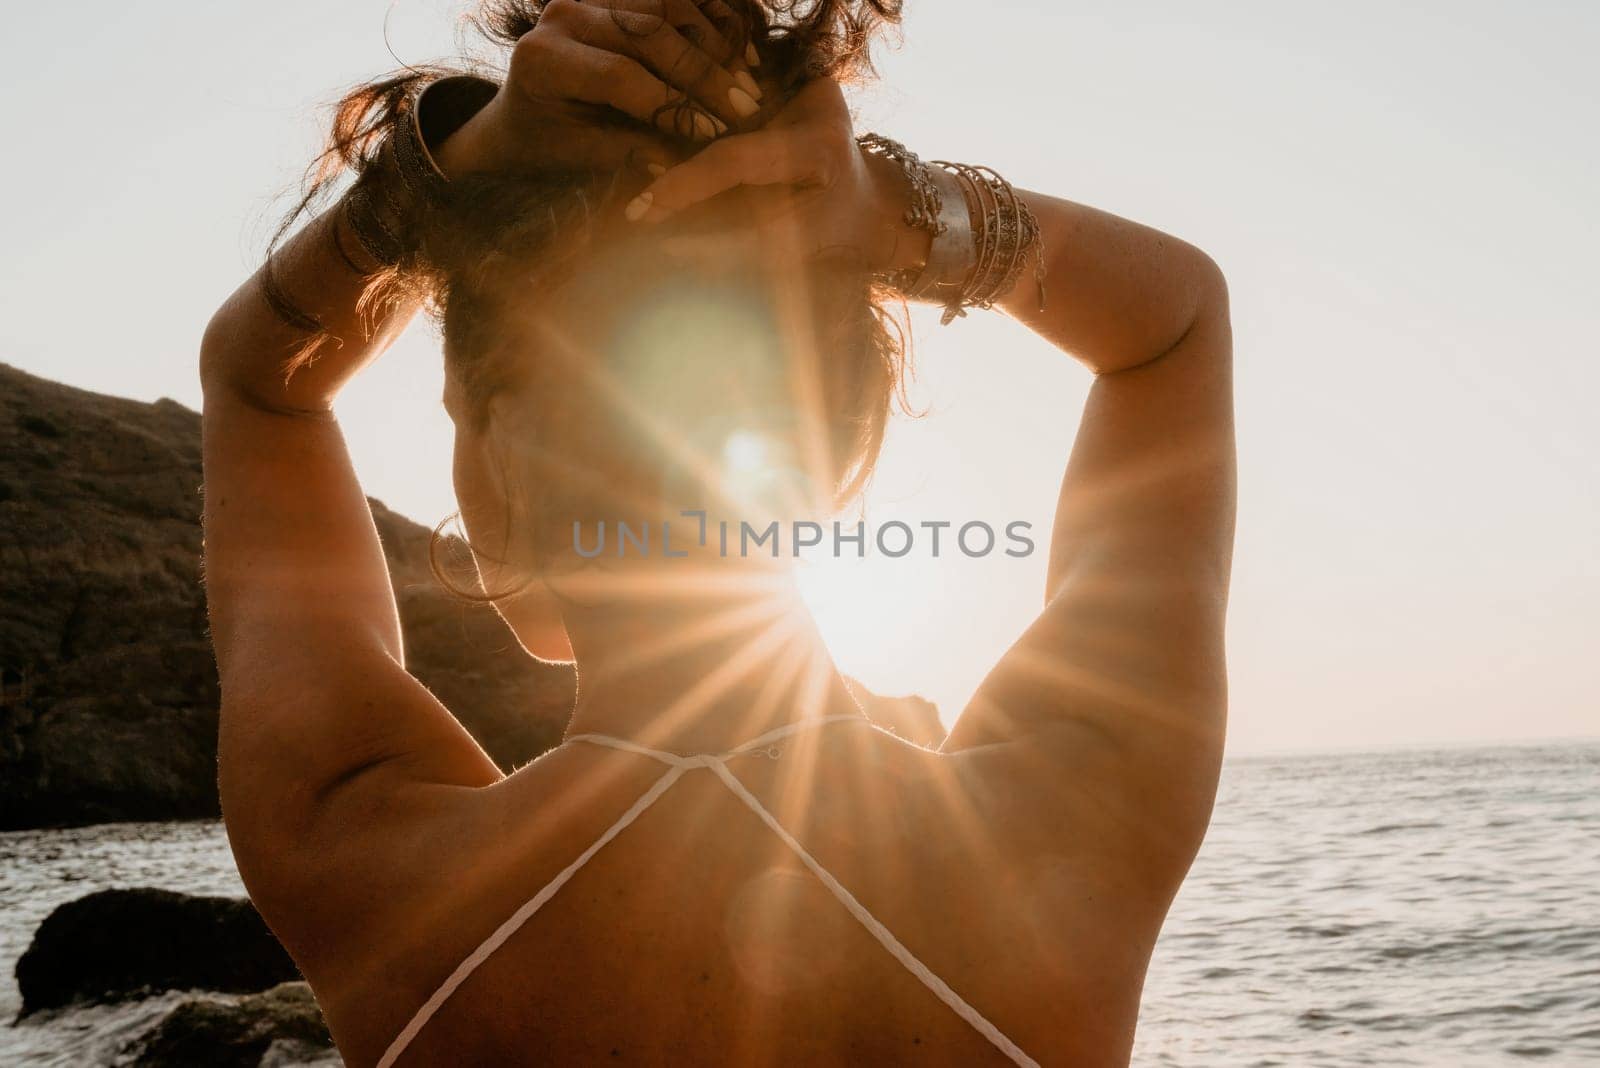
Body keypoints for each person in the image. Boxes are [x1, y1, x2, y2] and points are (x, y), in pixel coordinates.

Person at [199, 1, 1235, 1063]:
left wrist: (440, 175)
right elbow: (1172, 326)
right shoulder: (1069, 826)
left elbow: (259, 381)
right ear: (843, 446)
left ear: (499, 456)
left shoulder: (366, 867)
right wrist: (891, 212)